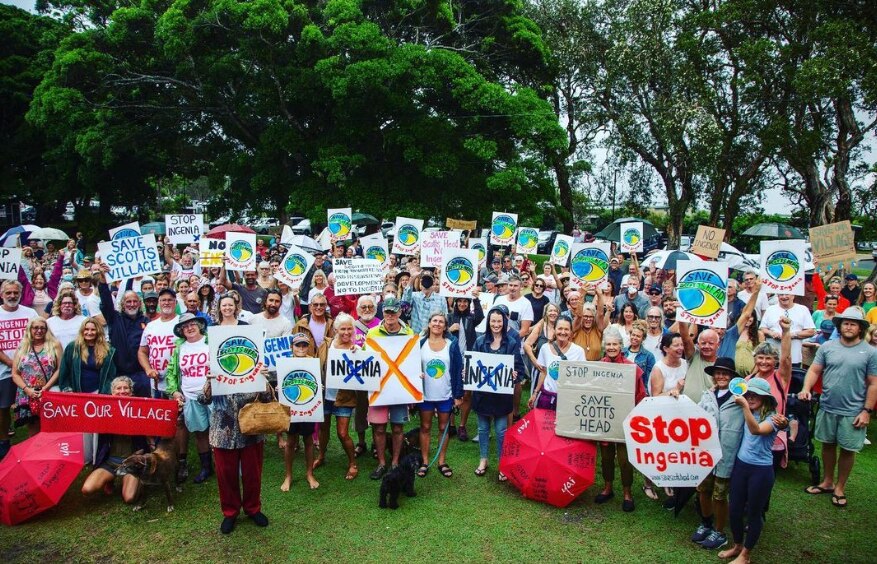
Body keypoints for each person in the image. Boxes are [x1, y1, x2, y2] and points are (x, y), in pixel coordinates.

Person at [799, 308, 877, 509]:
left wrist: (866, 411)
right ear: (840, 326)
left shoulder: (870, 352)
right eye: (845, 323)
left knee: (848, 449)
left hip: (854, 411)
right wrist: (806, 388)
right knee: (827, 444)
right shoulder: (828, 347)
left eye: (853, 324)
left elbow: (873, 383)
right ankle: (827, 482)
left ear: (860, 328)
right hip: (827, 406)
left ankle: (840, 487)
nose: (848, 327)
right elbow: (814, 370)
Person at [200, 366, 273, 534]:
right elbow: (203, 399)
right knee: (226, 475)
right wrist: (210, 382)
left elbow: (267, 398)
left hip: (252, 431)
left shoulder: (253, 367)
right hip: (223, 433)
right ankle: (230, 512)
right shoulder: (216, 369)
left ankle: (253, 508)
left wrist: (263, 379)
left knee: (252, 473)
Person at [719, 378, 783, 563]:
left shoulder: (773, 418)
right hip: (741, 466)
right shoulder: (746, 410)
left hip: (760, 471)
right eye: (748, 394)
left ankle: (746, 555)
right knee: (734, 509)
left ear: (765, 398)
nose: (751, 398)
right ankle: (738, 545)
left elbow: (756, 430)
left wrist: (745, 406)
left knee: (754, 513)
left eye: (756, 395)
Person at [593, 327, 646, 512]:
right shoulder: (599, 367)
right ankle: (607, 487)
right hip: (605, 419)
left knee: (624, 459)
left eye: (615, 344)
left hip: (625, 421)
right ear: (604, 346)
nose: (611, 347)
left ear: (621, 346)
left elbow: (640, 395)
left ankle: (627, 492)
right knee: (606, 457)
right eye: (608, 344)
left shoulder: (632, 368)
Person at [692, 357, 744, 550]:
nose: (721, 376)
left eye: (725, 373)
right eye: (718, 373)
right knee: (703, 490)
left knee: (720, 495)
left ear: (732, 376)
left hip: (727, 454)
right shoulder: (707, 396)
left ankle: (719, 531)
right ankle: (706, 522)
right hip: (706, 453)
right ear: (713, 376)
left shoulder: (740, 399)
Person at [472, 306, 523, 481]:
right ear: (488, 322)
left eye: (499, 321)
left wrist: (515, 375)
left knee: (501, 431)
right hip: (483, 396)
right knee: (482, 429)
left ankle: (503, 463)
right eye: (493, 321)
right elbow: (472, 364)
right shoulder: (480, 342)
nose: (496, 324)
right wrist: (467, 372)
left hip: (502, 397)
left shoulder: (512, 343)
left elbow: (519, 368)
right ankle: (483, 459)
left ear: (504, 322)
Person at [365, 297, 413, 479]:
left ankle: (395, 462)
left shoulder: (408, 333)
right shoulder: (372, 333)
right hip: (379, 388)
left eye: (393, 311)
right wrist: (357, 352)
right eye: (387, 311)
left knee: (398, 427)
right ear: (383, 312)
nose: (390, 315)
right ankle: (381, 463)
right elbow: (366, 358)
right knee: (379, 428)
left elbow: (412, 360)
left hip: (400, 387)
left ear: (399, 312)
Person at [80, 376, 148, 504]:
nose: (122, 391)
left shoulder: (140, 409)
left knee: (129, 498)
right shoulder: (104, 410)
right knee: (87, 489)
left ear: (131, 392)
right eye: (118, 388)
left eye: (126, 388)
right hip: (110, 462)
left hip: (131, 462)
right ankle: (110, 479)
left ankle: (137, 480)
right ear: (112, 392)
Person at [164, 313, 213, 484]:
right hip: (190, 396)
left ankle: (225, 465)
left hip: (213, 394)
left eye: (192, 324)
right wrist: (174, 391)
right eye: (185, 326)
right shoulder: (179, 348)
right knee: (200, 433)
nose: (189, 328)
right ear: (181, 331)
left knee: (220, 430)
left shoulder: (211, 342)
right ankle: (206, 467)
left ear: (200, 325)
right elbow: (171, 372)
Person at [417, 312, 464, 478]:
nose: (437, 324)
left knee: (444, 428)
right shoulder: (420, 343)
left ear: (445, 327)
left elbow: (458, 370)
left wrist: (458, 395)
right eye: (434, 321)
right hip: (425, 395)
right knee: (425, 427)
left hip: (446, 394)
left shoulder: (452, 344)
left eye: (441, 322)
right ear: (429, 324)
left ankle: (441, 461)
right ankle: (424, 461)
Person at [315, 314, 359, 480]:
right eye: (343, 329)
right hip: (325, 395)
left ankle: (353, 463)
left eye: (349, 329)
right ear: (335, 330)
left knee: (342, 433)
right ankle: (321, 456)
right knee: (323, 429)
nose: (346, 332)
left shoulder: (356, 349)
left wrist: (357, 354)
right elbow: (316, 364)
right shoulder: (326, 345)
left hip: (344, 398)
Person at [0, 280, 40, 458]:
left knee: (33, 407)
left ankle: (34, 442)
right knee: (3, 408)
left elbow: (38, 337)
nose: (12, 296)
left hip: (30, 370)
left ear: (20, 294)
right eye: (8, 292)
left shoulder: (30, 313)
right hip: (4, 370)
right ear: (1, 294)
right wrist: (12, 364)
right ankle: (3, 443)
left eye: (15, 292)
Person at [746, 317, 792, 468]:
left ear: (775, 361)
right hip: (749, 435)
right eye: (760, 358)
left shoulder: (780, 378)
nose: (764, 362)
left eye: (768, 358)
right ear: (755, 359)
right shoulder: (748, 379)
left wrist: (786, 331)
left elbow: (786, 359)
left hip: (773, 436)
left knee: (767, 473)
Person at [279, 333, 320, 491]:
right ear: (292, 347)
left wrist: (320, 387)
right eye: (298, 345)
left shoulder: (313, 362)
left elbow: (318, 382)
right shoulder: (285, 363)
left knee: (308, 440)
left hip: (308, 406)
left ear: (308, 347)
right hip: (291, 407)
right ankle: (288, 476)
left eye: (304, 345)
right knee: (290, 441)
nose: (301, 348)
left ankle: (309, 474)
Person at [11, 317, 62, 436]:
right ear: (30, 329)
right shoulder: (23, 347)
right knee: (33, 428)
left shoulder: (54, 345)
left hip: (48, 391)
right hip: (28, 393)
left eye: (42, 328)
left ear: (46, 330)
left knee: (51, 428)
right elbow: (15, 374)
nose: (39, 331)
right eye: (35, 328)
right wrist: (27, 390)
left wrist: (45, 388)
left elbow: (60, 369)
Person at [528, 316, 585, 410]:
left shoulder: (578, 351)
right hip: (547, 397)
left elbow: (581, 378)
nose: (563, 332)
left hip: (568, 400)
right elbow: (544, 372)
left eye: (566, 329)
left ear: (571, 332)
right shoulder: (545, 348)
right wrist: (535, 393)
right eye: (560, 328)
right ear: (554, 330)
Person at [137, 288, 180, 399]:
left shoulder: (182, 323)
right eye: (163, 300)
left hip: (178, 385)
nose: (166, 303)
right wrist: (148, 369)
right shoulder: (151, 326)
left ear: (175, 302)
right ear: (159, 303)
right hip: (156, 384)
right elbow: (142, 352)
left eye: (170, 300)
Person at [759, 293, 815, 368]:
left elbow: (811, 331)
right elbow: (762, 328)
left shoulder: (803, 309)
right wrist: (771, 333)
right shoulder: (770, 309)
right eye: (781, 294)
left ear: (793, 295)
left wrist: (790, 335)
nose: (784, 297)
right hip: (772, 357)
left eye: (787, 294)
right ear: (778, 296)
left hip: (794, 357)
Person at [679, 323, 719, 402]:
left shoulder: (721, 365)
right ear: (698, 344)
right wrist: (681, 319)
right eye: (703, 343)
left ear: (718, 345)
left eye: (711, 343)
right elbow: (685, 339)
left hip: (710, 408)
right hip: (687, 406)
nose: (707, 346)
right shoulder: (694, 356)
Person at [404, 270, 448, 334]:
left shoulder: (441, 298)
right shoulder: (414, 296)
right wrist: (412, 279)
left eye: (429, 279)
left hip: (435, 335)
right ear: (420, 282)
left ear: (433, 282)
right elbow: (404, 304)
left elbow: (445, 318)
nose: (426, 281)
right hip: (416, 335)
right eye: (424, 279)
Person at [625, 320, 655, 393]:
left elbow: (649, 379)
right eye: (633, 335)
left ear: (643, 339)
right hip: (623, 389)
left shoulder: (649, 356)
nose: (634, 338)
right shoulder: (622, 352)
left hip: (639, 391)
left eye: (638, 336)